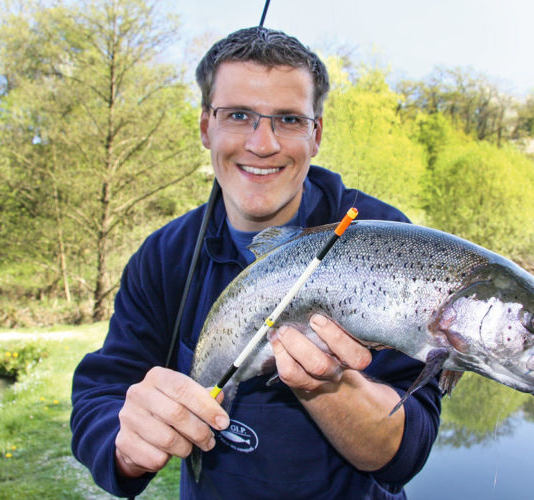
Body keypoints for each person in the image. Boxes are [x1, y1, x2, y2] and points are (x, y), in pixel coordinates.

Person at [71, 27, 441, 499]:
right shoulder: (165, 255)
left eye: (288, 119)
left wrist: (331, 388)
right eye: (239, 115)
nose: (262, 143)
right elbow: (99, 396)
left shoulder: (387, 239)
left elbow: (407, 452)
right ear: (206, 127)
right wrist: (126, 443)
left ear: (316, 133)